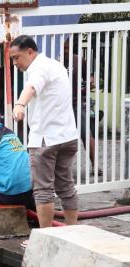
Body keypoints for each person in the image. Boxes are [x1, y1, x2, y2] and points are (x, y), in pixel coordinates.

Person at [10, 35, 78, 228]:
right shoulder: (56, 65)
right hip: (68, 136)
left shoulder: (38, 68)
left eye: (17, 57)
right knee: (66, 186)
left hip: (46, 140)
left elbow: (31, 87)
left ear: (30, 52)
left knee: (43, 190)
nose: (15, 63)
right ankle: (73, 231)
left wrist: (20, 105)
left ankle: (45, 236)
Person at [62, 38, 99, 175]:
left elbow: (90, 81)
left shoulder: (77, 60)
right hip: (60, 105)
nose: (65, 50)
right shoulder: (53, 61)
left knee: (86, 135)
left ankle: (95, 165)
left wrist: (84, 87)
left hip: (75, 103)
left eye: (66, 48)